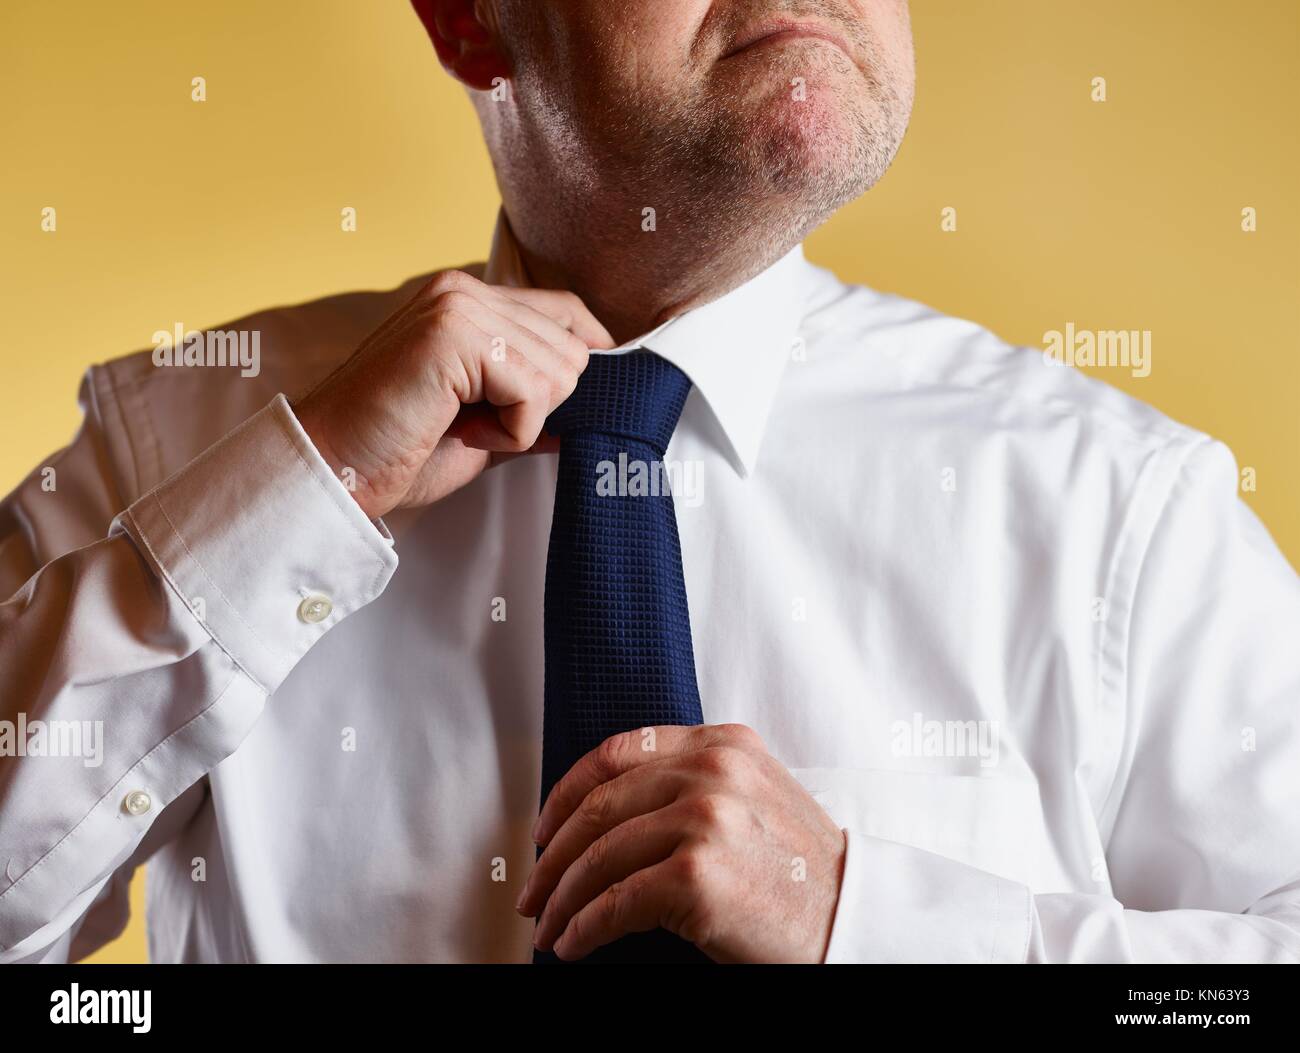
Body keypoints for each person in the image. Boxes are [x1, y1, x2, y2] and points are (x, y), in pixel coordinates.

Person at [1, 0, 1297, 964]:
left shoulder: (1119, 507)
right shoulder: (175, 449)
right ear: (467, 22)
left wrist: (868, 916)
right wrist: (302, 494)